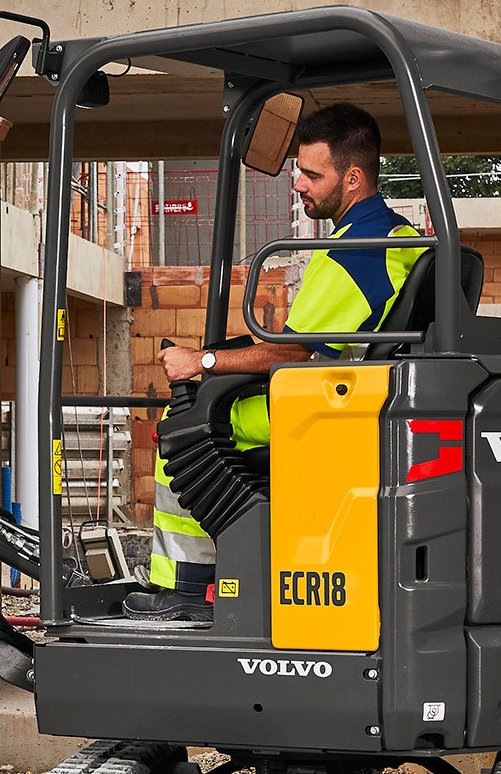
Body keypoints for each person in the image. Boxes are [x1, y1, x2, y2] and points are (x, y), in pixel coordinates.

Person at [123, 103, 426, 621]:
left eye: (311, 174)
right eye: (298, 172)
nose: (299, 185)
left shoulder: (356, 253)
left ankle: (189, 588)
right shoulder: (396, 238)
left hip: (324, 408)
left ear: (352, 178)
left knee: (181, 430)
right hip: (353, 397)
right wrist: (228, 352)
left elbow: (293, 351)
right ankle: (238, 560)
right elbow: (300, 338)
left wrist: (206, 361)